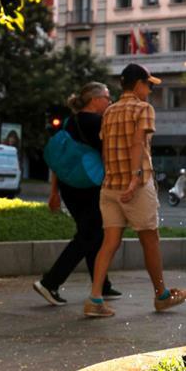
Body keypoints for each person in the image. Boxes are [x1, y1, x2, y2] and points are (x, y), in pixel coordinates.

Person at [84, 63, 186, 317]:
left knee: (110, 242)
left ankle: (95, 299)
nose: (151, 90)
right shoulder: (144, 108)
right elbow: (137, 144)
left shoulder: (109, 111)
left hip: (110, 187)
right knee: (150, 239)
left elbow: (107, 148)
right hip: (135, 186)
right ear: (139, 84)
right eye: (149, 85)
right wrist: (135, 179)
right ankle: (161, 296)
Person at [34, 83, 121, 305]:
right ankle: (50, 283)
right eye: (107, 97)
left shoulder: (69, 122)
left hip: (68, 187)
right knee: (89, 235)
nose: (109, 101)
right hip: (89, 186)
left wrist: (54, 192)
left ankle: (102, 285)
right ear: (94, 100)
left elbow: (59, 160)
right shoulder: (96, 123)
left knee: (93, 233)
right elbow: (107, 157)